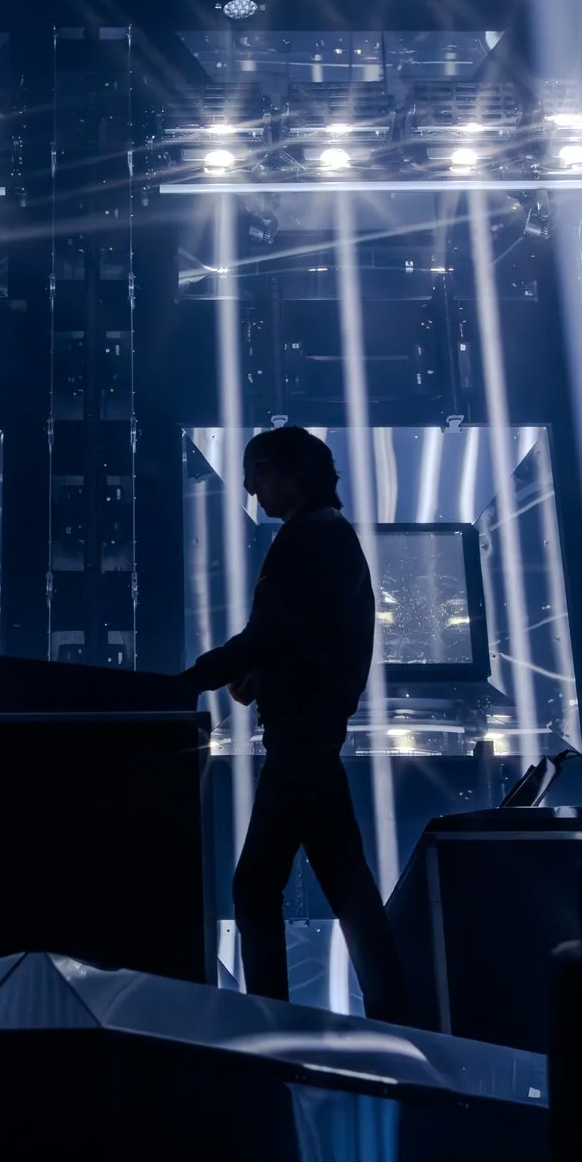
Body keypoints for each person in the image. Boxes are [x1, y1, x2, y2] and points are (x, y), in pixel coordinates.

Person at [179, 426, 408, 1023]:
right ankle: (395, 1014)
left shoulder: (304, 541)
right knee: (343, 886)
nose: (252, 487)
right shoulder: (332, 538)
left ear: (291, 473)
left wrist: (188, 682)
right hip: (311, 739)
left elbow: (270, 634)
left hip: (300, 743)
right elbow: (315, 640)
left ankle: (272, 1022)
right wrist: (268, 676)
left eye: (258, 472)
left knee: (257, 889)